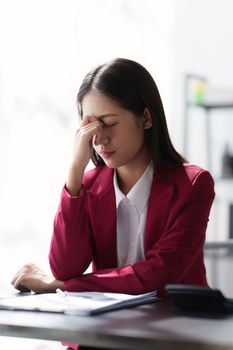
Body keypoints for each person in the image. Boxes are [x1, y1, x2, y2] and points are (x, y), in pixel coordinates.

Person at [11, 58, 215, 349]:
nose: (99, 138)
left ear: (146, 117)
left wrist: (62, 286)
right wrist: (75, 173)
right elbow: (66, 266)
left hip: (176, 333)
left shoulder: (194, 184)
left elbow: (161, 272)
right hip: (107, 333)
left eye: (108, 123)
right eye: (90, 126)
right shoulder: (90, 185)